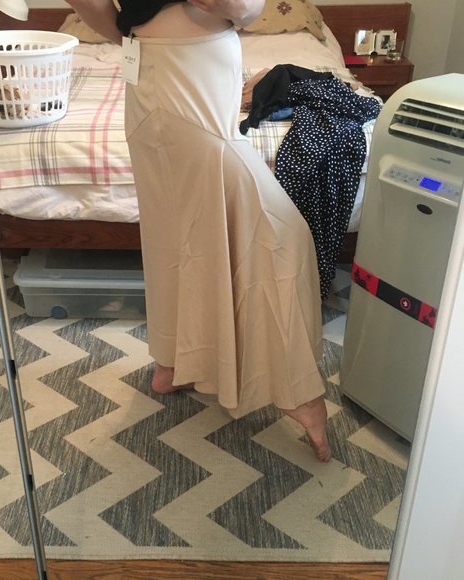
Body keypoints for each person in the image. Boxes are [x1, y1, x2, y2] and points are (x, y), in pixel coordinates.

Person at [65, 0, 332, 462]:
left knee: (173, 231)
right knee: (282, 236)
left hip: (151, 81)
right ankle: (296, 391)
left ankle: (171, 361)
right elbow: (239, 7)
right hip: (188, 82)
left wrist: (141, 33)